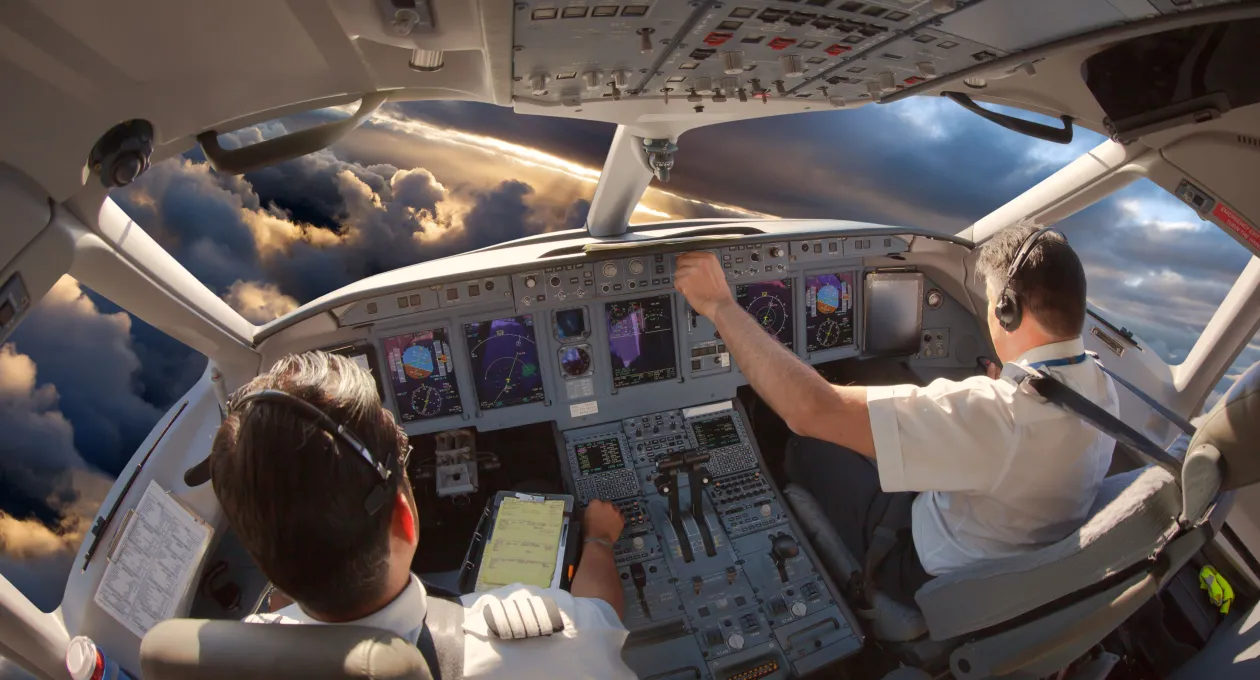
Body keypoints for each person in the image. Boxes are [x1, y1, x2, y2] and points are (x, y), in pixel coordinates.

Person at [673, 225, 1118, 606]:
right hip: (1009, 548)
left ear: (1007, 309)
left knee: (807, 442)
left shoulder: (996, 414)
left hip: (921, 565)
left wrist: (720, 305)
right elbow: (1016, 434)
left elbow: (810, 410)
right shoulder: (1100, 386)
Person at [209, 351, 636, 679]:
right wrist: (599, 538)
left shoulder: (238, 658)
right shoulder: (552, 645)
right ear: (404, 516)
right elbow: (601, 613)